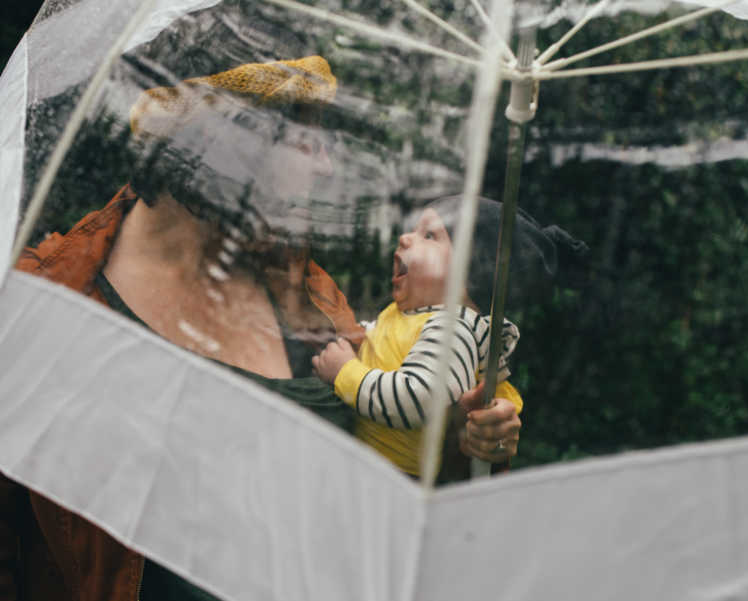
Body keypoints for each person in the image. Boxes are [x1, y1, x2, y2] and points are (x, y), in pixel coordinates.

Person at [1, 56, 522, 600]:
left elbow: (389, 478)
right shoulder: (47, 302)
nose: (324, 167)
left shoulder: (304, 287)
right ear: (225, 143)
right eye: (304, 141)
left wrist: (468, 444)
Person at [313, 197, 537, 477]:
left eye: (429, 235)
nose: (404, 238)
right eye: (413, 230)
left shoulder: (452, 328)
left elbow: (419, 398)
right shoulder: (406, 315)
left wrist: (345, 374)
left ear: (470, 277)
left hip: (399, 481)